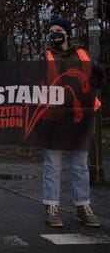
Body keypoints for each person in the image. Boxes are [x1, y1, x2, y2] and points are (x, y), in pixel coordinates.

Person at [39, 17, 104, 228]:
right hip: (53, 118)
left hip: (79, 117)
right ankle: (52, 206)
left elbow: (92, 81)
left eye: (58, 30)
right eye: (51, 31)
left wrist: (99, 76)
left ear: (67, 33)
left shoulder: (83, 55)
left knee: (79, 165)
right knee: (53, 164)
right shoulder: (45, 56)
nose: (54, 34)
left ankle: (83, 207)